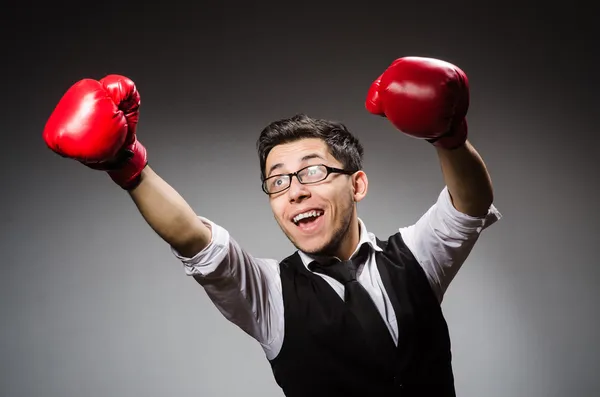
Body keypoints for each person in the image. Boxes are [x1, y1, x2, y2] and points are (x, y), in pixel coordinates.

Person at [43, 56, 501, 396]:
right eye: (277, 181)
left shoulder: (416, 258)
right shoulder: (268, 293)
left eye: (313, 172)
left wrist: (448, 137)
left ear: (357, 184)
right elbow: (194, 240)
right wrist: (128, 166)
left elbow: (469, 206)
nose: (294, 191)